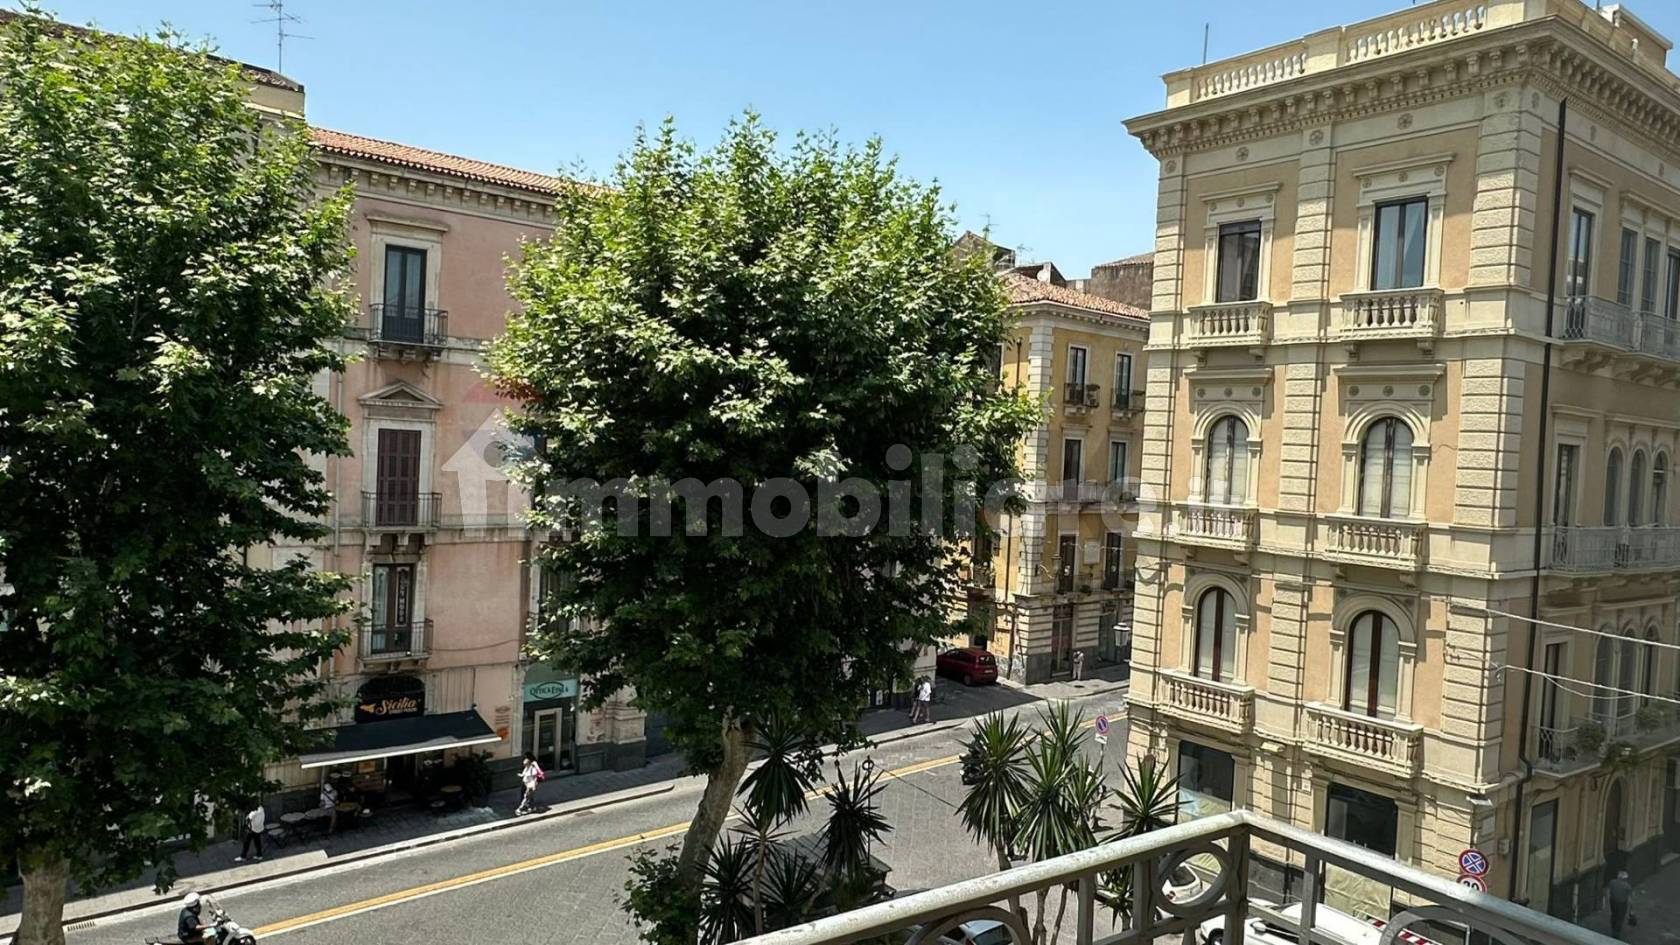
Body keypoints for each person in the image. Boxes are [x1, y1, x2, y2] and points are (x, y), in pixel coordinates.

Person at [1606, 869, 1633, 939]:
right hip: (1622, 904)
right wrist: (1631, 909)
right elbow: (1629, 899)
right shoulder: (1627, 886)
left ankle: (1613, 928)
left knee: (1614, 915)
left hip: (1613, 901)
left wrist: (1608, 899)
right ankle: (1616, 932)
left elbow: (1608, 891)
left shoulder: (1612, 882)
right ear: (1625, 878)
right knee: (1620, 918)